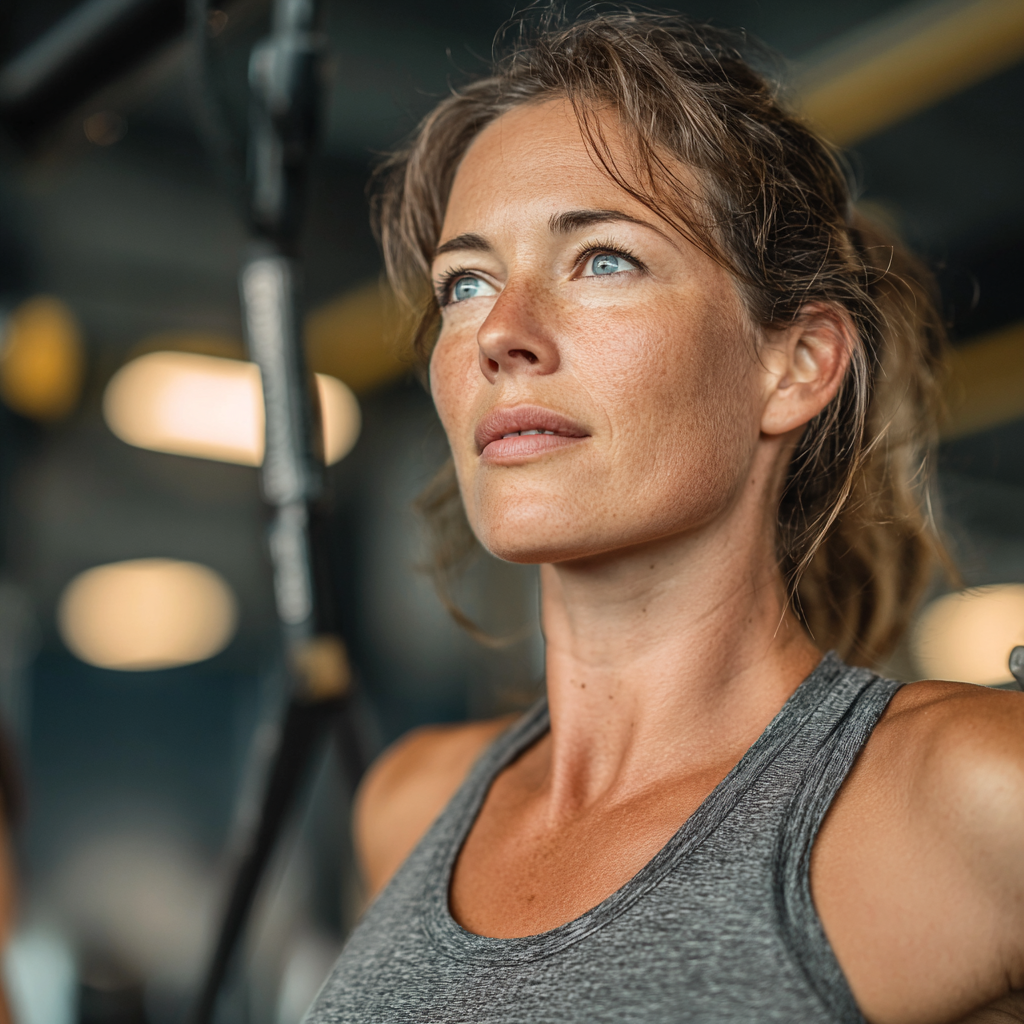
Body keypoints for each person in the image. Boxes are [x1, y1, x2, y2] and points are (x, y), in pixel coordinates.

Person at [306, 11, 1024, 1023]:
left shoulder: (971, 797)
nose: (501, 333)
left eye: (602, 260)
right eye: (464, 283)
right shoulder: (408, 804)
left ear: (794, 363)